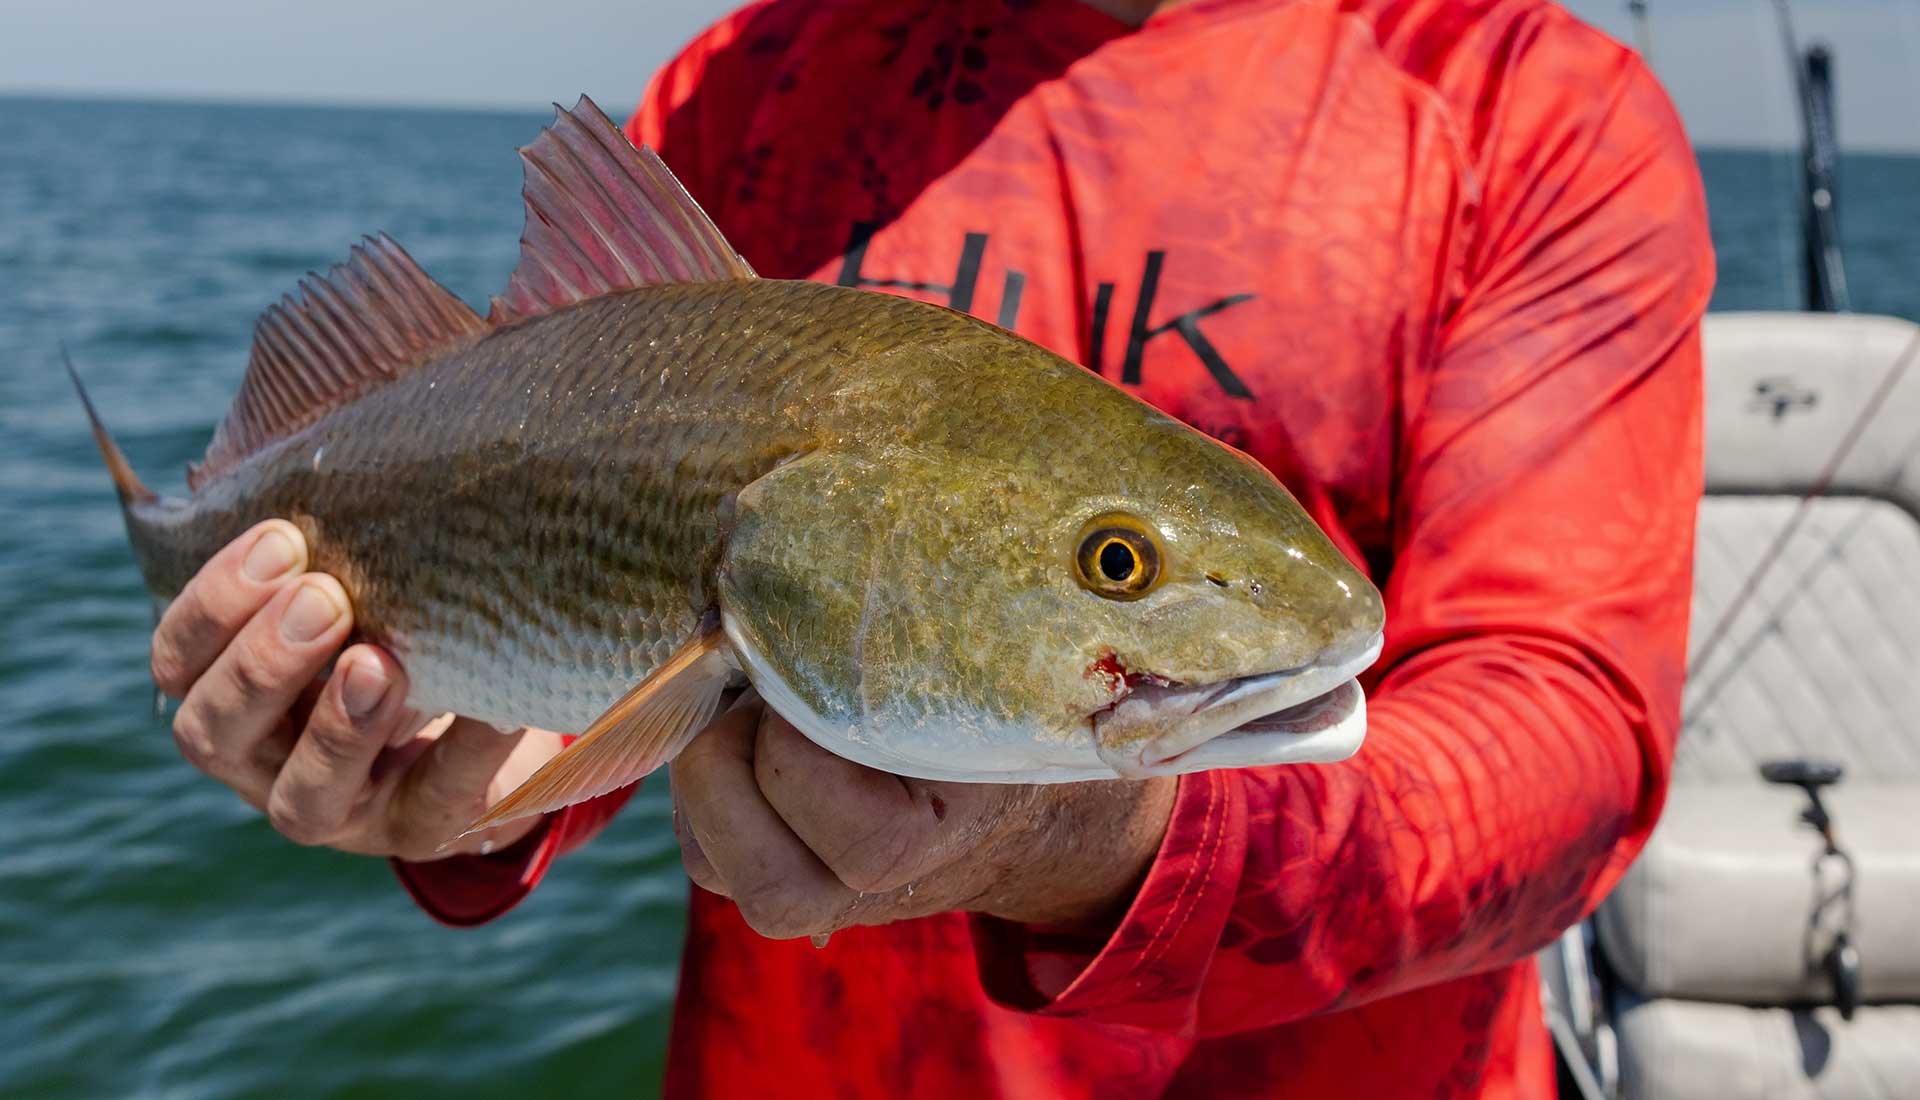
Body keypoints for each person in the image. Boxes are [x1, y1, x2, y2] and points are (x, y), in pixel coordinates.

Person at [147, 0, 1714, 1094]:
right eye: (1116, 570)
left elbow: (1567, 733)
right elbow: (582, 609)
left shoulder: (1525, 112)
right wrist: (452, 799)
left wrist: (1109, 854)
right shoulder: (743, 82)